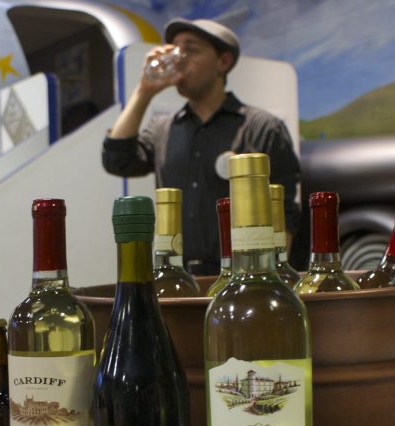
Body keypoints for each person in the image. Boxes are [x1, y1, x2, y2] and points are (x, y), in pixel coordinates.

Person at [101, 18, 301, 276]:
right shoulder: (162, 129)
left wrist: (273, 276)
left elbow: (285, 210)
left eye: (191, 50)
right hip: (178, 278)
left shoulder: (262, 126)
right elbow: (116, 160)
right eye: (175, 50)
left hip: (242, 277)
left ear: (223, 62)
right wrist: (144, 90)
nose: (179, 59)